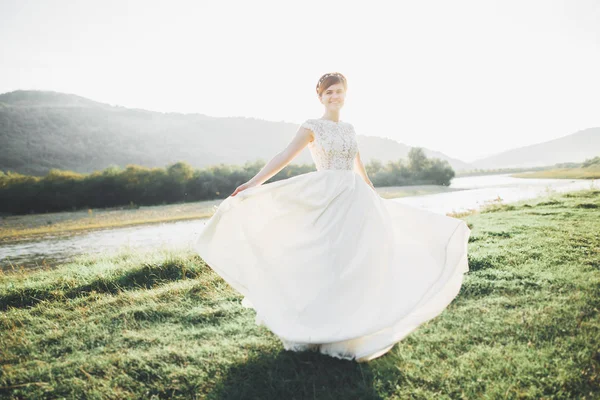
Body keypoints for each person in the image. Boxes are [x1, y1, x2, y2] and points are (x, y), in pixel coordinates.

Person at [195, 72, 470, 362]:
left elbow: (357, 162)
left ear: (345, 94)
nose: (334, 96)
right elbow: (285, 155)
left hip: (354, 197)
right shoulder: (312, 126)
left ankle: (350, 326)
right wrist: (254, 183)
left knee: (355, 259)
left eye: (338, 91)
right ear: (321, 97)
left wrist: (370, 189)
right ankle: (316, 325)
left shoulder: (350, 128)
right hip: (325, 195)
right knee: (324, 258)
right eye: (328, 93)